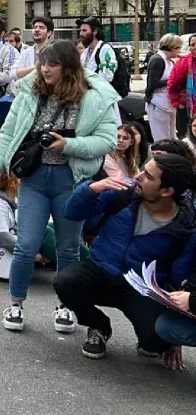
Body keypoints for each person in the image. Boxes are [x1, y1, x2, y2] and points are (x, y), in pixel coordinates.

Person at [0, 39, 119, 333]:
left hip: (70, 180)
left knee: (68, 247)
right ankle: (15, 303)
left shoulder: (96, 95)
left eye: (52, 64)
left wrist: (68, 144)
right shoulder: (30, 90)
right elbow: (9, 133)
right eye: (43, 63)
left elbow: (108, 141)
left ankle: (66, 307)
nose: (44, 69)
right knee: (26, 245)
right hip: (33, 178)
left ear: (69, 67)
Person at [55, 154, 196, 362]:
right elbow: (71, 212)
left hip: (140, 287)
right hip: (101, 269)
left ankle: (153, 340)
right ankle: (98, 326)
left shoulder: (186, 225)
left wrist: (173, 337)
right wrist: (92, 189)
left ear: (167, 191)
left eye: (148, 176)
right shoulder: (123, 191)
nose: (138, 176)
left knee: (156, 343)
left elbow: (180, 275)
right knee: (65, 282)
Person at [78, 15, 122, 123]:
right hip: (90, 100)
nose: (81, 34)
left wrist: (87, 82)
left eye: (84, 30)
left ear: (95, 32)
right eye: (80, 31)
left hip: (104, 100)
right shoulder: (85, 52)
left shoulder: (105, 49)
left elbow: (107, 75)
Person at [145, 33, 183, 142]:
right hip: (158, 104)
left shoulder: (169, 61)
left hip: (168, 103)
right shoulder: (157, 60)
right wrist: (173, 80)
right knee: (162, 139)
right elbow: (152, 84)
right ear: (172, 47)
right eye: (178, 48)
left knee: (172, 138)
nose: (179, 51)